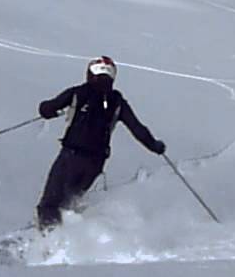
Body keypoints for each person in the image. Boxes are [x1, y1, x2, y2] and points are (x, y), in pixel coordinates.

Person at [35, 55, 166, 230]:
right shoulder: (118, 102)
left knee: (50, 204)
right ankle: (70, 240)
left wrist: (48, 111)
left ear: (90, 73)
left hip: (70, 157)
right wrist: (155, 146)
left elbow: (47, 108)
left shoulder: (78, 93)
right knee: (69, 203)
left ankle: (50, 243)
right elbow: (137, 129)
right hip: (95, 164)